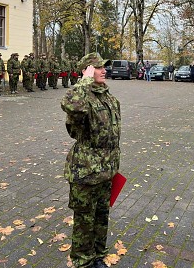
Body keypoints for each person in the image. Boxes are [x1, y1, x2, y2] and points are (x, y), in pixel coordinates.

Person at [61, 53, 121, 268]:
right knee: (85, 221)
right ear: (87, 71)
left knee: (101, 217)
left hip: (106, 170)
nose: (104, 70)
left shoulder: (109, 98)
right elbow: (71, 105)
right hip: (85, 171)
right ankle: (83, 262)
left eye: (104, 67)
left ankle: (97, 256)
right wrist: (84, 81)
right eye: (97, 67)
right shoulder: (82, 99)